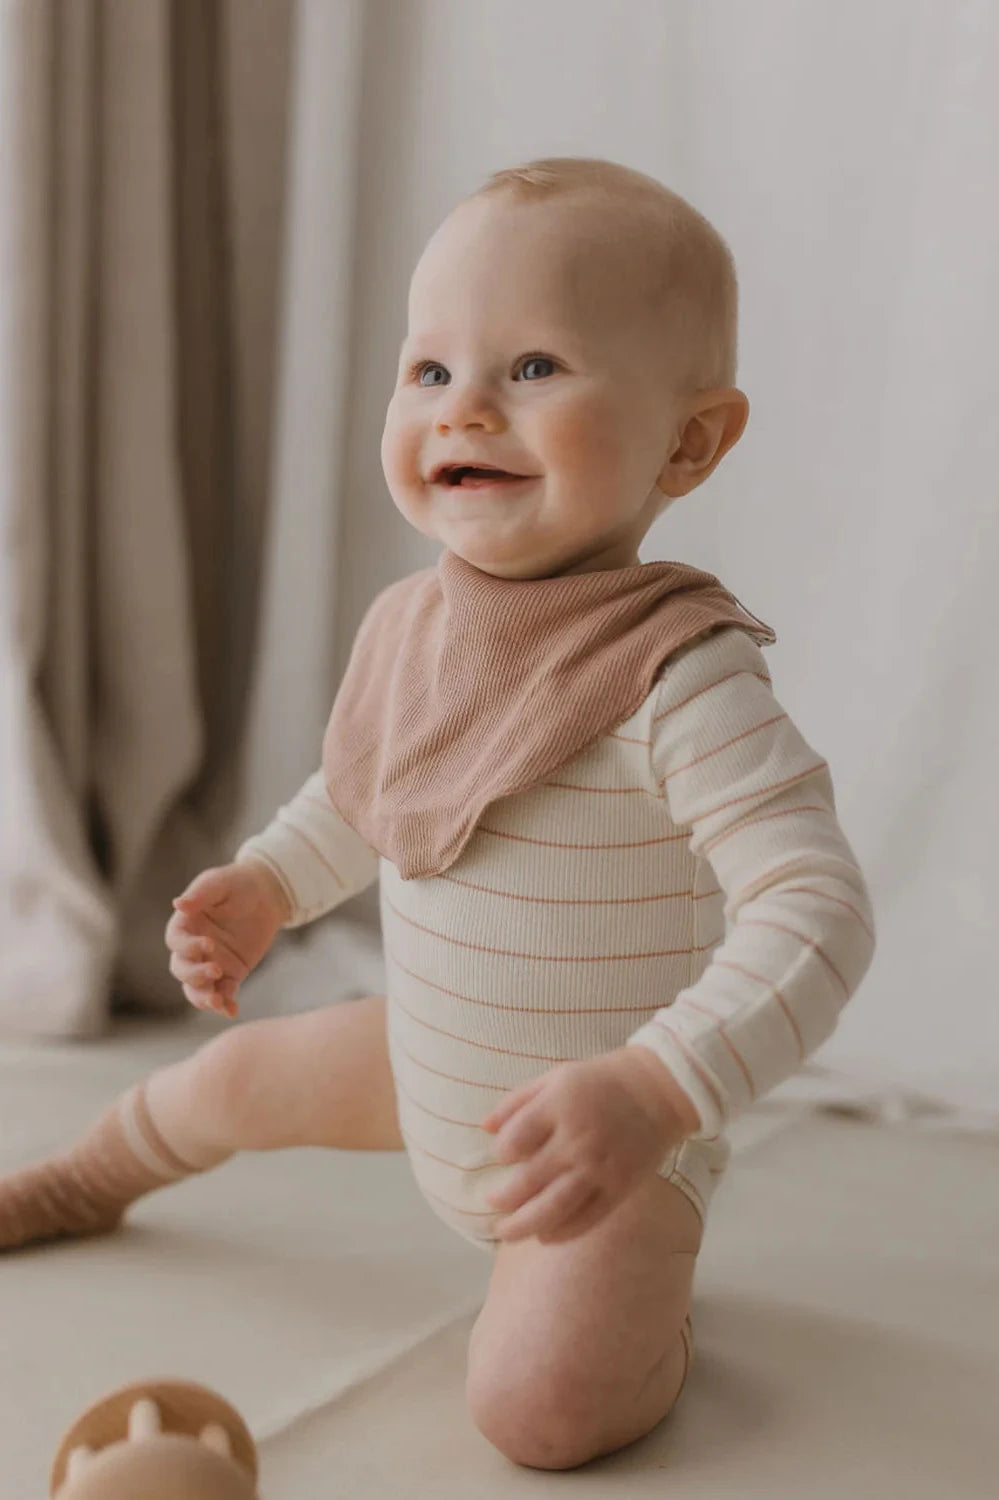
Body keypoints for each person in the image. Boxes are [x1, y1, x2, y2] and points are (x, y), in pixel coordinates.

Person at [0, 157, 876, 1471]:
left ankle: (651, 1315)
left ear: (688, 442)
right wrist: (270, 884)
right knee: (233, 1075)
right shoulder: (415, 622)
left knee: (539, 1414)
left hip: (605, 1146)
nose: (464, 404)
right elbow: (378, 792)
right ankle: (77, 1181)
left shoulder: (679, 672)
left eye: (532, 368)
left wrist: (652, 1091)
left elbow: (818, 911)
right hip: (431, 1061)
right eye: (429, 370)